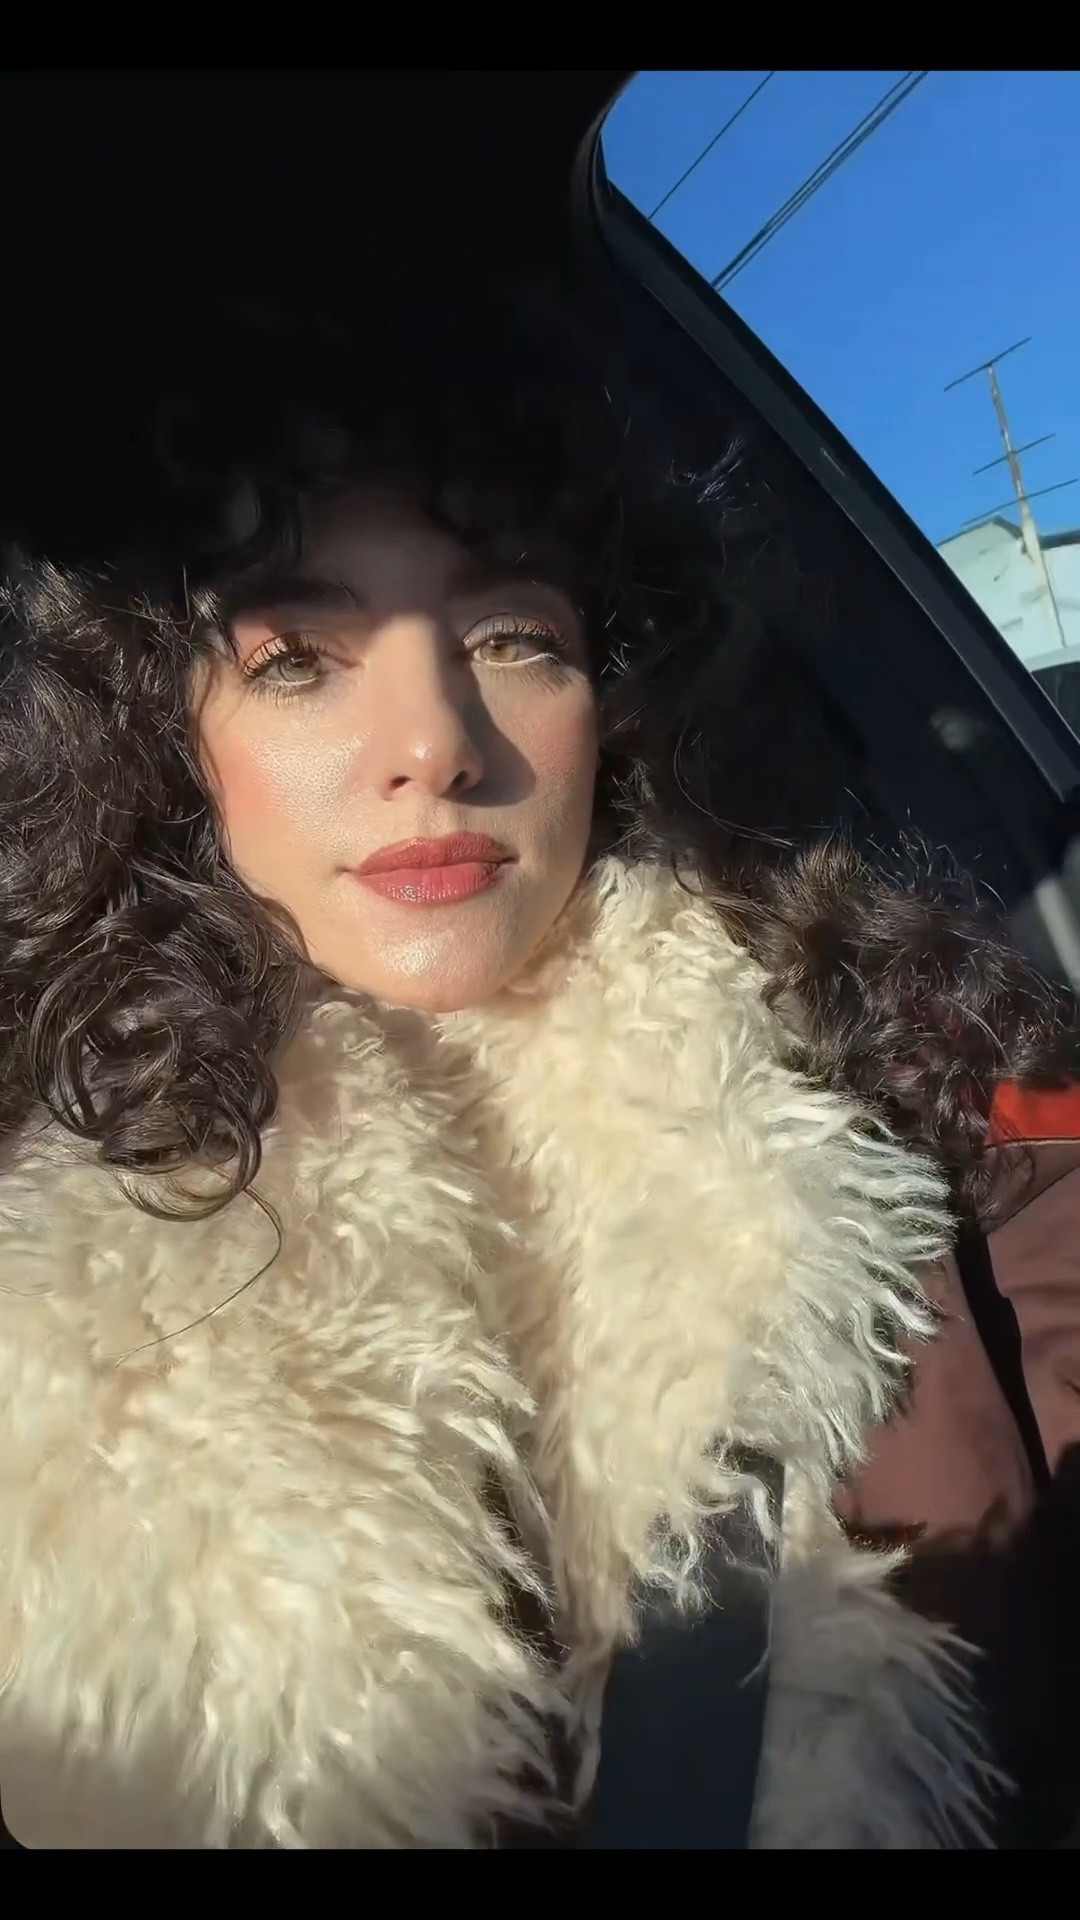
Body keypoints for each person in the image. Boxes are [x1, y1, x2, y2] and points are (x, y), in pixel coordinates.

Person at [0, 283, 1075, 1851]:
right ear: (163, 731)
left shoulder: (908, 1093)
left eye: (512, 639)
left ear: (612, 709)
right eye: (297, 657)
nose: (436, 740)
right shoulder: (41, 1278)